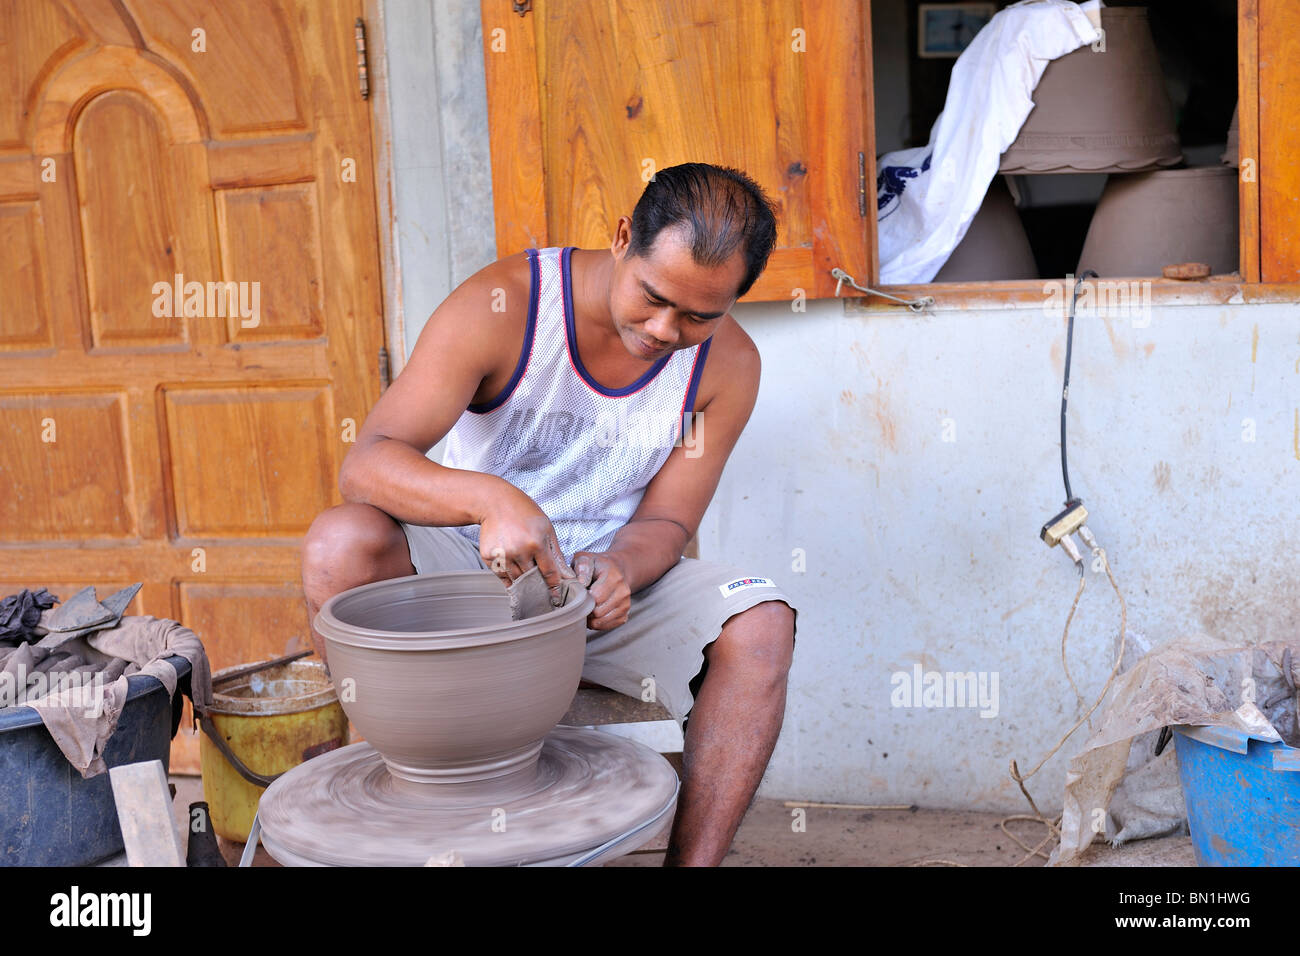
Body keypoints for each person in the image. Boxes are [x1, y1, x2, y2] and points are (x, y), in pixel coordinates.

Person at [302, 162, 797, 866]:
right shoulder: (505, 306)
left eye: (698, 315)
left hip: (597, 592)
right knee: (338, 542)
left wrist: (622, 566)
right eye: (653, 297)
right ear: (623, 236)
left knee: (762, 624)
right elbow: (368, 463)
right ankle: (400, 807)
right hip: (471, 567)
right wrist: (492, 500)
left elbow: (667, 524)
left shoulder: (728, 366)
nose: (664, 329)